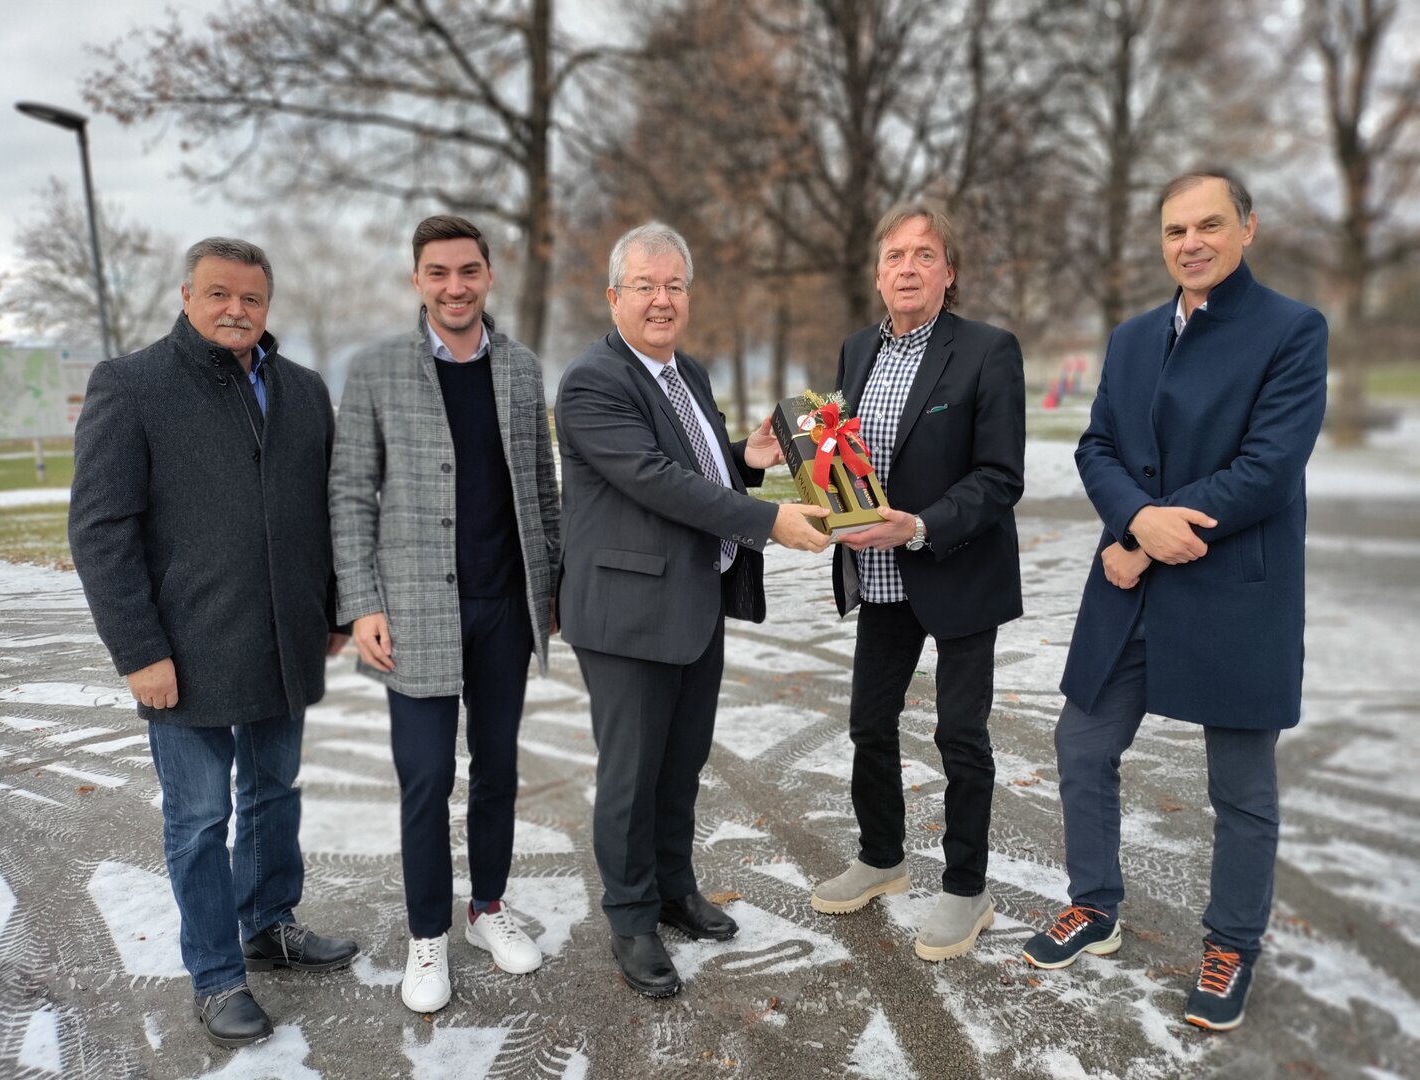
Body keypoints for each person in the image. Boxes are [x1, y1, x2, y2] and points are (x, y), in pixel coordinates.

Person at [1021, 170, 1328, 1033]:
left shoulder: (1292, 330)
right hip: (1131, 581)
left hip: (1232, 589)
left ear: (1247, 228)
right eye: (1174, 231)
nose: (1191, 243)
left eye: (1209, 225)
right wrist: (1134, 522)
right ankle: (1094, 904)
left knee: (1240, 787)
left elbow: (1269, 468)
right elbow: (1096, 447)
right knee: (1081, 745)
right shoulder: (1130, 338)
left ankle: (1232, 944)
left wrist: (1152, 532)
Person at [68, 237, 357, 1048]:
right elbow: (99, 530)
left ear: (268, 305)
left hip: (284, 639)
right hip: (183, 650)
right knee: (198, 819)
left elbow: (328, 509)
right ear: (186, 295)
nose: (236, 309)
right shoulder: (132, 385)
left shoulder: (303, 390)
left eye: (251, 298)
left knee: (274, 793)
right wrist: (138, 651)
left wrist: (334, 610)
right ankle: (217, 974)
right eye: (219, 293)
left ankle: (269, 924)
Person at [554, 223, 829, 997]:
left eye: (674, 285)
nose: (661, 300)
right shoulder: (593, 382)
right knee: (632, 773)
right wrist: (770, 520)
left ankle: (673, 890)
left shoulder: (689, 373)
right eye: (645, 286)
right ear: (614, 296)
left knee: (681, 764)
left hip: (691, 601)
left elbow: (698, 468)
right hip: (627, 612)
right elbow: (655, 479)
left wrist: (748, 459)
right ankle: (631, 918)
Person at [329, 215, 560, 1014]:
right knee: (426, 778)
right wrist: (361, 603)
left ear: (488, 276)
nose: (454, 287)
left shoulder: (522, 367)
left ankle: (486, 908)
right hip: (415, 610)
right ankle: (426, 933)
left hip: (505, 607)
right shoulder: (377, 370)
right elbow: (349, 494)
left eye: (468, 271)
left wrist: (550, 588)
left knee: (497, 769)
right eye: (438, 272)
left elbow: (541, 486)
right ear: (417, 281)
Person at [807, 202, 1026, 963]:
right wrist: (827, 503)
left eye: (924, 255)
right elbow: (845, 456)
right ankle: (881, 857)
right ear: (877, 274)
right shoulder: (856, 350)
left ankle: (966, 889)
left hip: (956, 569)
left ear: (948, 273)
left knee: (959, 735)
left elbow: (1000, 476)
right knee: (869, 725)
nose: (907, 268)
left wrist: (922, 524)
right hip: (878, 575)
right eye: (895, 255)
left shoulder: (989, 351)